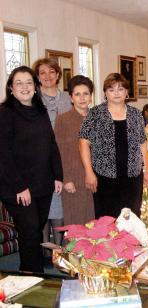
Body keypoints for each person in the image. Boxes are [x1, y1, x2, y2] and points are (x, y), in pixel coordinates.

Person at [0, 66, 63, 272]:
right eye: (19, 83)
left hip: (43, 183)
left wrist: (57, 175)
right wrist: (19, 186)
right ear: (11, 88)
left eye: (28, 82)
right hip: (16, 187)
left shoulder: (40, 110)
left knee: (34, 230)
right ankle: (34, 278)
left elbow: (51, 144)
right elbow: (3, 154)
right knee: (30, 232)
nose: (24, 87)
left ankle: (28, 274)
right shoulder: (5, 113)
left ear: (35, 87)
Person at [79, 73, 148, 218]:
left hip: (132, 178)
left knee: (131, 220)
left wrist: (147, 171)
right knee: (107, 221)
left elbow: (142, 144)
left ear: (127, 92)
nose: (116, 93)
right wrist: (88, 172)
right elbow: (83, 143)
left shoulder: (136, 114)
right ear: (105, 93)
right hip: (105, 178)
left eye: (121, 89)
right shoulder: (95, 114)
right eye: (111, 90)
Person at [33, 58, 71, 246]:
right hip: (40, 157)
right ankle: (44, 250)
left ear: (57, 75)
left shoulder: (66, 98)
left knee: (59, 203)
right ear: (38, 77)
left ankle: (57, 248)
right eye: (42, 73)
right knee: (42, 204)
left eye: (51, 72)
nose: (47, 76)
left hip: (63, 155)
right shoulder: (33, 99)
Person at [54, 75, 95, 225]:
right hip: (74, 178)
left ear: (91, 96)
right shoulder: (63, 119)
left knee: (96, 224)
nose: (82, 98)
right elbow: (60, 151)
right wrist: (66, 179)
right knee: (77, 224)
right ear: (71, 97)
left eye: (86, 94)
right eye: (77, 94)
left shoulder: (97, 117)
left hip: (97, 177)